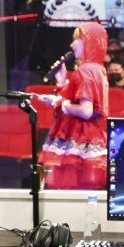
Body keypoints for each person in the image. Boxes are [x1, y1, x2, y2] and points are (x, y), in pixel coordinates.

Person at [33, 22, 109, 190]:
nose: (72, 44)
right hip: (91, 135)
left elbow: (86, 111)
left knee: (68, 189)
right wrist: (61, 83)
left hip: (78, 135)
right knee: (84, 193)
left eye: (77, 40)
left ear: (90, 42)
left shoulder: (85, 70)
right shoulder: (97, 68)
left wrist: (62, 104)